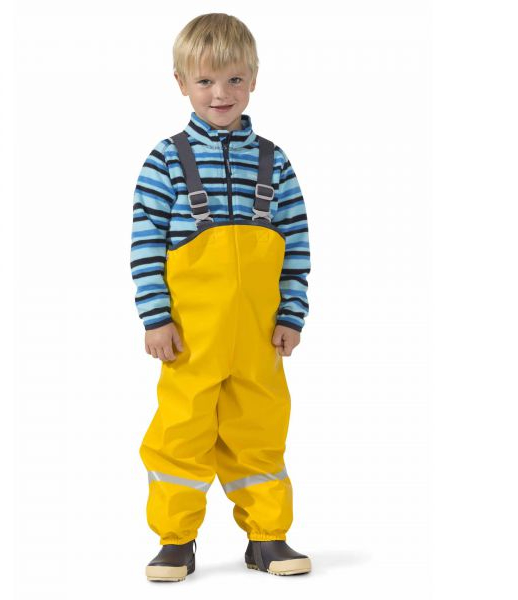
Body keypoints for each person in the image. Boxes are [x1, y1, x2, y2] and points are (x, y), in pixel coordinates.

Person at [129, 13, 312, 581]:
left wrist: (292, 314)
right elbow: (145, 246)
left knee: (260, 432)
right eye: (205, 80)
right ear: (181, 82)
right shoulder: (166, 159)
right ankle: (175, 541)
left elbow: (296, 245)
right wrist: (156, 319)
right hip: (190, 339)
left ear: (253, 78)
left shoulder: (275, 161)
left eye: (234, 79)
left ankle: (267, 537)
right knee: (181, 433)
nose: (220, 93)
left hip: (258, 337)